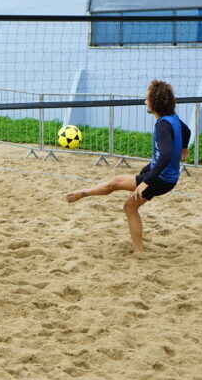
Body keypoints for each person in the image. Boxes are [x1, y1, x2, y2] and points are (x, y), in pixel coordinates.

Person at [65, 80, 191, 253]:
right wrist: (184, 147)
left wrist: (147, 181)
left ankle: (139, 252)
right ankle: (83, 193)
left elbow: (167, 154)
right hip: (162, 174)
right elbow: (187, 130)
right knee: (115, 182)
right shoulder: (172, 119)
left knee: (129, 207)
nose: (144, 101)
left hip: (160, 179)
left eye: (146, 99)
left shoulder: (163, 125)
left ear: (154, 102)